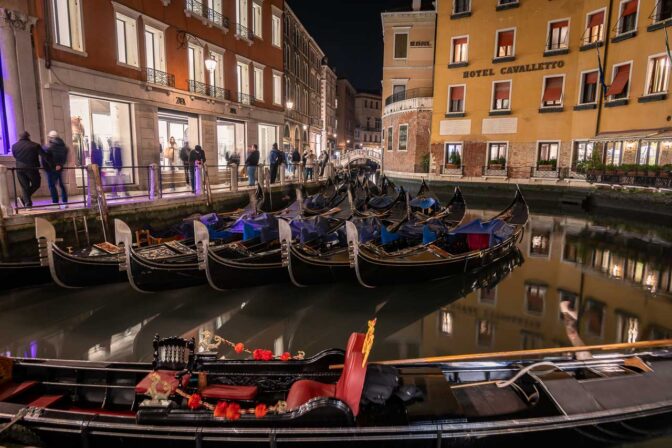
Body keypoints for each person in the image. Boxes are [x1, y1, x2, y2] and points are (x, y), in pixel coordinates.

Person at [11, 131, 43, 208]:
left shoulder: (14, 146)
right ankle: (25, 200)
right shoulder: (35, 145)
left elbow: (15, 156)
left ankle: (27, 203)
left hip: (19, 168)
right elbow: (44, 155)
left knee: (25, 186)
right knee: (36, 184)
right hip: (32, 168)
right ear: (28, 137)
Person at [42, 131, 69, 207]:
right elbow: (64, 158)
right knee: (61, 184)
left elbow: (46, 158)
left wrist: (50, 167)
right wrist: (60, 165)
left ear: (51, 137)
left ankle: (55, 202)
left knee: (52, 185)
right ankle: (65, 201)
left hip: (51, 169)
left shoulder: (48, 147)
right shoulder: (64, 146)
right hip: (60, 168)